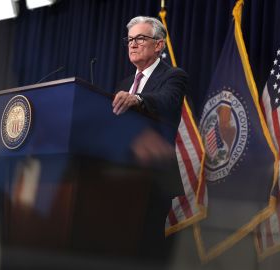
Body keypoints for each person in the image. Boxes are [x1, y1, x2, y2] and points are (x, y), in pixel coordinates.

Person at [112, 16, 189, 265]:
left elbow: (167, 102)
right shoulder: (124, 84)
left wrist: (139, 100)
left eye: (140, 38)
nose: (133, 44)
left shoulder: (173, 76)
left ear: (159, 45)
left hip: (153, 176)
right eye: (130, 40)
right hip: (119, 176)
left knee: (147, 250)